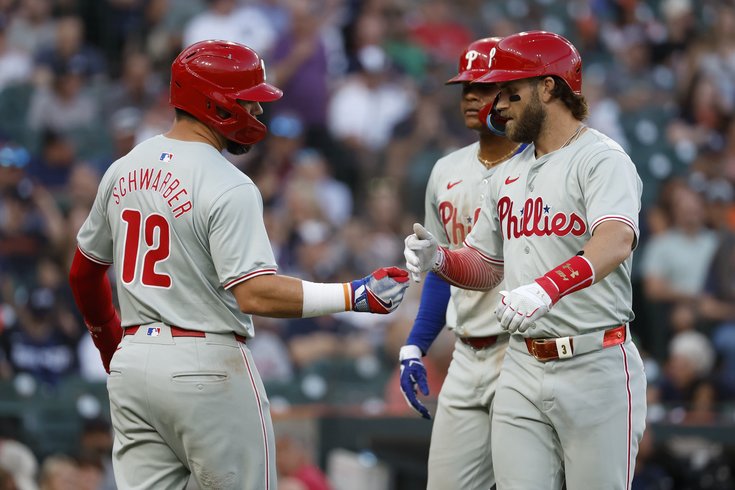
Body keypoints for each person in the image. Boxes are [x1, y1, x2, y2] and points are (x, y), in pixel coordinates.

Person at [67, 40, 409, 490]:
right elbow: (254, 292)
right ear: (216, 103)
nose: (257, 113)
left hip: (134, 365)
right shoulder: (228, 182)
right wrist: (353, 295)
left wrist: (115, 348)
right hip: (205, 361)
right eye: (249, 101)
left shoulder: (122, 169)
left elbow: (83, 273)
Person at [404, 30, 647, 489]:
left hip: (594, 360)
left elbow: (615, 239)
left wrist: (548, 286)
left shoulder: (601, 158)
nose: (498, 104)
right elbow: (484, 264)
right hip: (520, 365)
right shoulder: (507, 174)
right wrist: (441, 259)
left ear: (549, 86)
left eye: (510, 91)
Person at [397, 36, 524, 490]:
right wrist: (415, 343)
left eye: (485, 87)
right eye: (465, 87)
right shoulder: (445, 170)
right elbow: (440, 269)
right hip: (467, 355)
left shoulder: (541, 169)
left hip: (525, 352)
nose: (471, 97)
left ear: (515, 95)